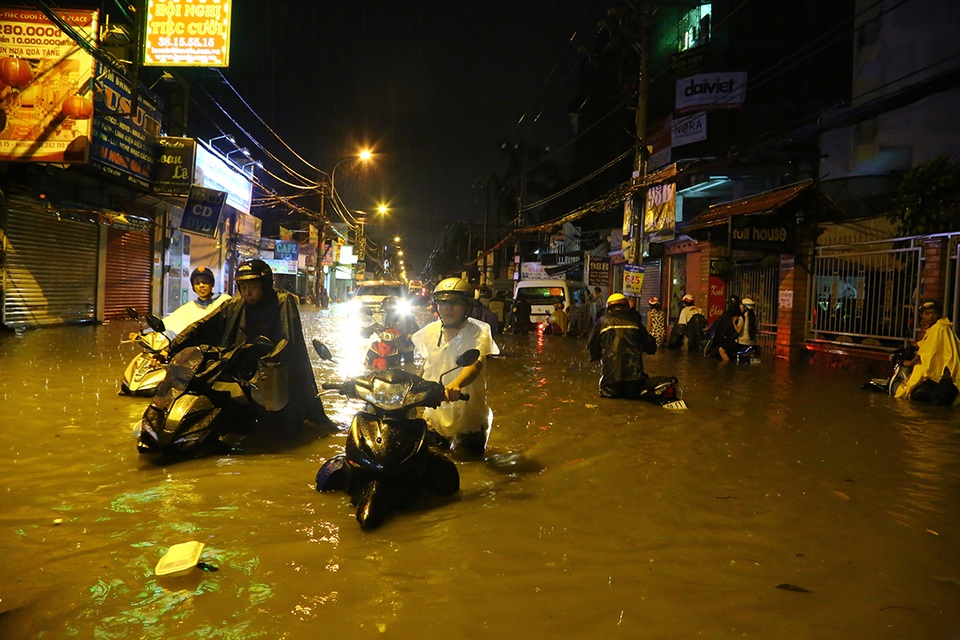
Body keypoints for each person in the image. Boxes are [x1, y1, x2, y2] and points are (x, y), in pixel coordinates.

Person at [166, 259, 332, 435]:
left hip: (274, 375)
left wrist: (258, 368)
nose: (248, 293)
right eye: (243, 287)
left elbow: (286, 342)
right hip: (239, 370)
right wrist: (172, 347)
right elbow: (202, 326)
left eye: (253, 287)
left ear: (265, 285)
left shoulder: (282, 302)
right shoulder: (234, 305)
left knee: (280, 430)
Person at [411, 277, 501, 455]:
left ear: (468, 306)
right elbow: (428, 362)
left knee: (470, 463)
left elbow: (475, 364)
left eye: (456, 303)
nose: (448, 308)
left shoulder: (479, 331)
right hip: (435, 412)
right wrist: (412, 388)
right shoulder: (429, 331)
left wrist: (456, 384)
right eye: (443, 302)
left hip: (468, 415)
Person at [586, 292, 658, 398]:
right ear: (626, 307)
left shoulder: (602, 322)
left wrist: (595, 356)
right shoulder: (635, 322)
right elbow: (651, 347)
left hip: (610, 381)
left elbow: (592, 346)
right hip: (634, 379)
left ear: (608, 309)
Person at [131, 267, 231, 340]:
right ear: (193, 287)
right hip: (194, 350)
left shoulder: (224, 300)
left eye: (205, 282)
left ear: (212, 284)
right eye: (197, 283)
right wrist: (145, 333)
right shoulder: (191, 307)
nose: (201, 285)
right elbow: (170, 322)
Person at [894, 299, 960, 405]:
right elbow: (931, 344)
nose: (930, 316)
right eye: (927, 313)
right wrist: (917, 344)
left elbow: (928, 353)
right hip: (943, 378)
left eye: (934, 313)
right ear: (921, 315)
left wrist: (906, 363)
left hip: (941, 378)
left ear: (939, 314)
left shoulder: (939, 328)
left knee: (914, 397)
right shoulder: (938, 327)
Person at [380, 295, 420, 365]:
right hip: (393, 345)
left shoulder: (406, 315)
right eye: (385, 310)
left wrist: (409, 334)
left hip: (406, 344)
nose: (386, 311)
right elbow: (386, 328)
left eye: (387, 309)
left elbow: (416, 329)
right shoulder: (388, 317)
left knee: (408, 364)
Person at [704, 295, 744, 362]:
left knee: (714, 354)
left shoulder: (734, 316)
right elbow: (717, 322)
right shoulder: (730, 315)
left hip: (728, 341)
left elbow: (736, 330)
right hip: (725, 340)